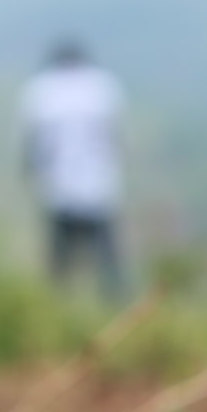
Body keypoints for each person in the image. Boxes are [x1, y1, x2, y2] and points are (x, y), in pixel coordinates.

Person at [18, 40, 125, 297]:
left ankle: (56, 311)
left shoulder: (41, 91)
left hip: (59, 188)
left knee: (60, 265)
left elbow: (31, 146)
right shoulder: (104, 87)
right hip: (99, 186)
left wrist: (31, 173)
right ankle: (117, 309)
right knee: (106, 261)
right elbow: (115, 137)